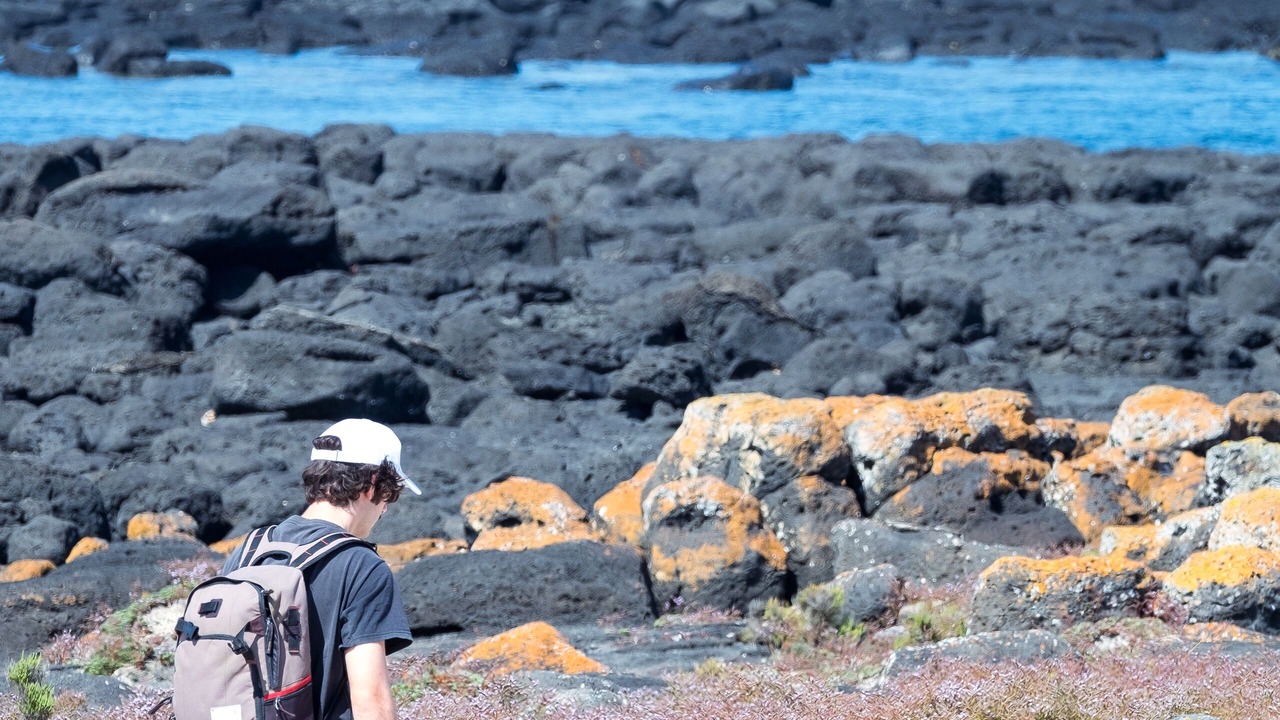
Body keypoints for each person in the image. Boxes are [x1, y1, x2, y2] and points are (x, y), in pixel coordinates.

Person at [221, 418, 421, 720]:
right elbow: (371, 703)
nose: (386, 509)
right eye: (390, 494)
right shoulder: (362, 567)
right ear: (372, 484)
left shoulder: (248, 550)